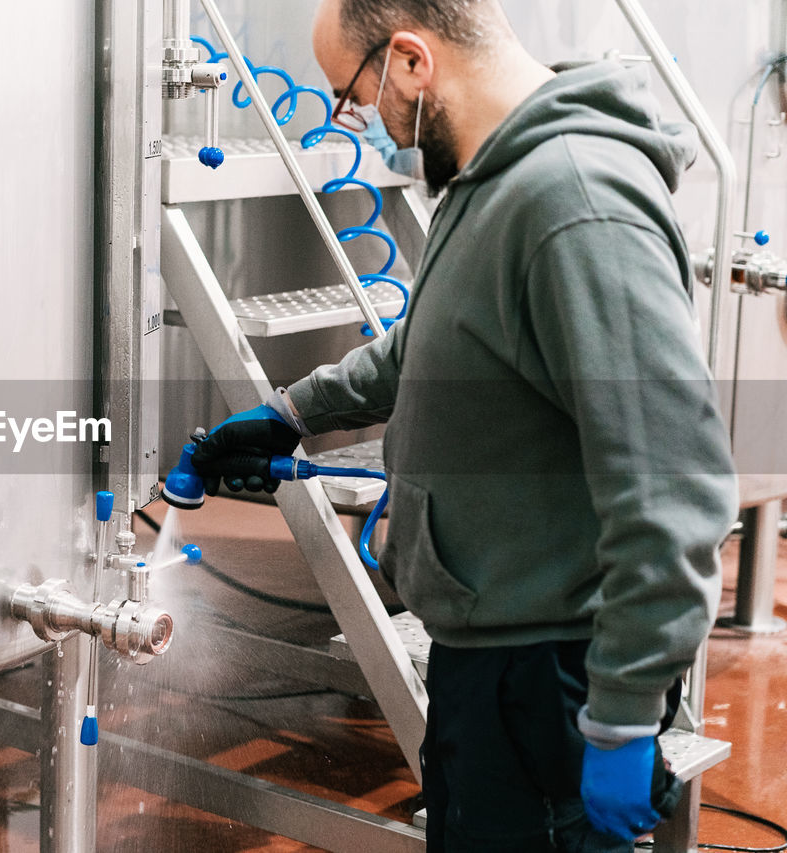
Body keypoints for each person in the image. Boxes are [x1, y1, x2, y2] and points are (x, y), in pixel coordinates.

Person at [189, 1, 739, 850]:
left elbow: (675, 486)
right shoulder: (499, 183)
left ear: (411, 60)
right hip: (493, 661)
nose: (363, 119)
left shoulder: (574, 200)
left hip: (552, 678)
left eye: (355, 93)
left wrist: (624, 715)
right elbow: (436, 342)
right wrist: (292, 413)